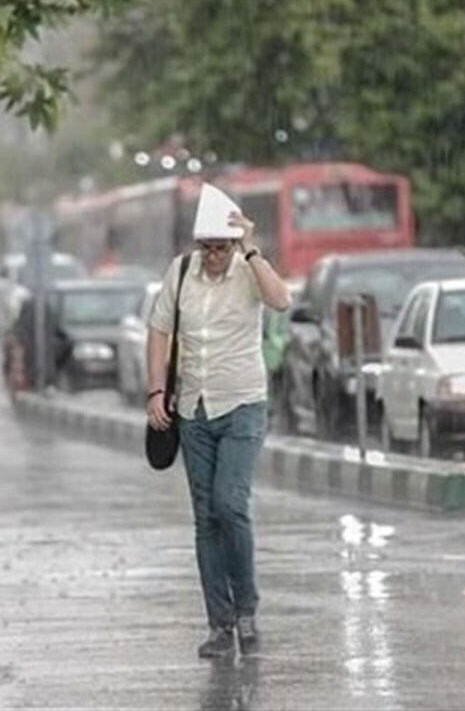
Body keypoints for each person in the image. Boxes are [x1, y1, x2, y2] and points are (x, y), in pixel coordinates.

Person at [146, 184, 292, 659]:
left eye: (220, 247)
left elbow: (281, 301)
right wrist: (154, 392)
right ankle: (219, 623)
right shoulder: (181, 271)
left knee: (231, 504)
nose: (212, 256)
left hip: (242, 404)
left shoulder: (249, 271)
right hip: (193, 409)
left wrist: (250, 248)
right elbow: (159, 329)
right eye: (206, 247)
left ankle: (247, 609)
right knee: (205, 517)